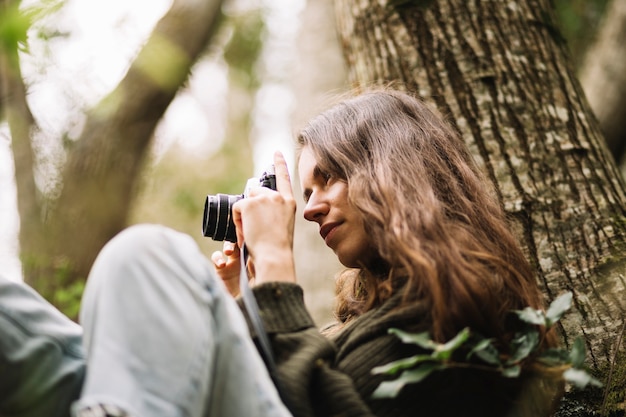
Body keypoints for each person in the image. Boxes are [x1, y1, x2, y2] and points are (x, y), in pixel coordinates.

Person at [0, 88, 561, 417]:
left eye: (328, 181)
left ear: (395, 172)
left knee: (147, 256)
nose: (310, 209)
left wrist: (274, 269)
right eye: (305, 192)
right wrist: (236, 307)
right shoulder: (374, 313)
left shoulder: (469, 301)